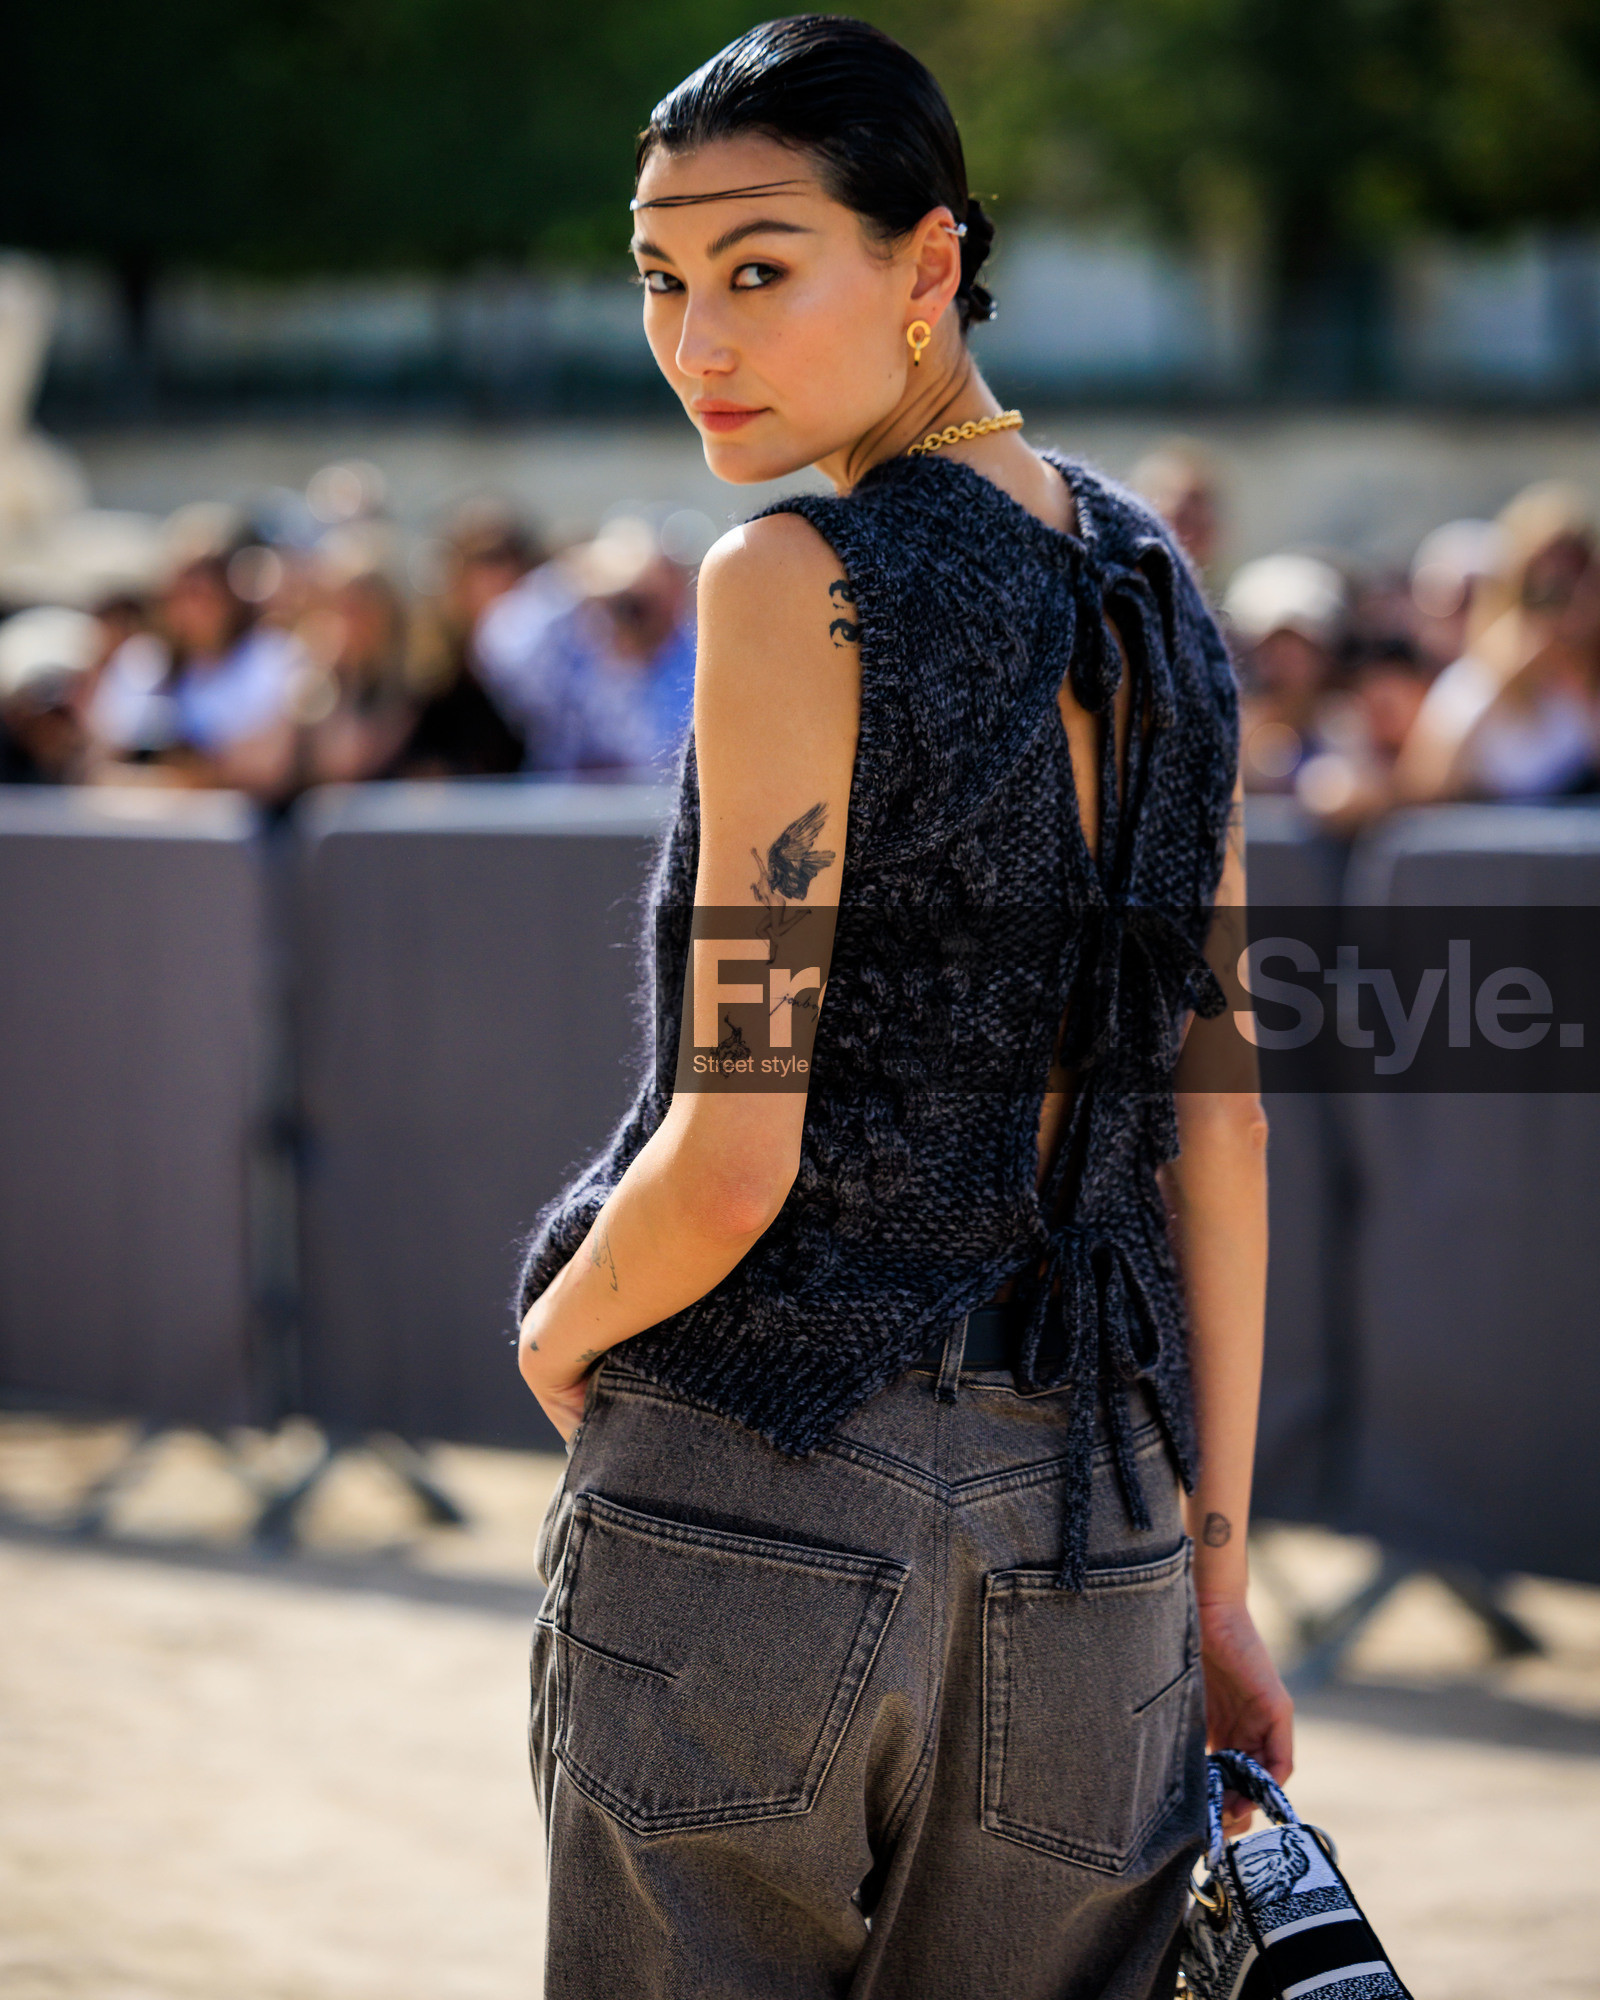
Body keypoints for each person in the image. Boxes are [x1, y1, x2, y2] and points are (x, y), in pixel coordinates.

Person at [514, 18, 1289, 1999]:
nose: (697, 339)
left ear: (927, 264)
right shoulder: (1161, 599)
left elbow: (734, 1138)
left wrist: (558, 1320)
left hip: (764, 1483)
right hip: (1097, 1541)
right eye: (661, 280)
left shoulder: (795, 574)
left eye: (758, 269)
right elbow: (1218, 1118)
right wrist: (1213, 1572)